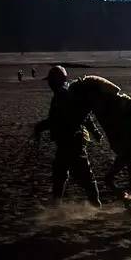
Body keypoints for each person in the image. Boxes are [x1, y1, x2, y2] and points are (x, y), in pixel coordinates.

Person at [33, 66, 103, 206]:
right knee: (63, 172)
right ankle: (59, 203)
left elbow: (60, 118)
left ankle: (95, 204)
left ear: (59, 80)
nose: (50, 84)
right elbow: (85, 116)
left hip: (71, 140)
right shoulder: (67, 92)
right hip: (69, 140)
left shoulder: (63, 94)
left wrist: (41, 126)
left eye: (52, 80)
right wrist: (95, 131)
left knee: (81, 174)